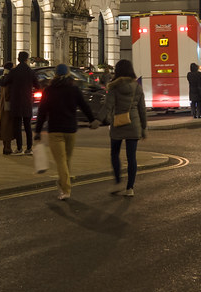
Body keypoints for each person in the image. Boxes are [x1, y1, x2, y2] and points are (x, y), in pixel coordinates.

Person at [34, 63, 99, 200]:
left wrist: (38, 131)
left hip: (55, 130)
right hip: (70, 129)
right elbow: (84, 105)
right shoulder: (74, 89)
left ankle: (66, 189)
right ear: (68, 74)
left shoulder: (49, 90)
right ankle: (63, 183)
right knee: (66, 160)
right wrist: (92, 120)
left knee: (61, 161)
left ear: (55, 75)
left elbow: (42, 112)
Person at [101, 59, 147, 197]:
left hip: (118, 124)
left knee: (114, 153)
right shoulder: (137, 87)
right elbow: (142, 110)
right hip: (133, 125)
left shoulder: (114, 87)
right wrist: (143, 128)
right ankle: (130, 188)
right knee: (131, 157)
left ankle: (117, 181)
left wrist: (98, 119)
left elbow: (107, 106)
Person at [0, 51, 40, 155]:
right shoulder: (31, 72)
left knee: (17, 126)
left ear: (18, 59)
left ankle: (19, 148)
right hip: (27, 101)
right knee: (27, 126)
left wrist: (5, 74)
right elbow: (38, 86)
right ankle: (29, 148)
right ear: (27, 59)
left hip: (16, 102)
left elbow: (3, 82)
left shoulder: (14, 71)